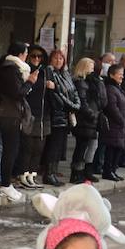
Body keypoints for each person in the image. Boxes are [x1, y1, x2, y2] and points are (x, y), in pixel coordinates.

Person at [0, 42, 34, 201]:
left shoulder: (10, 67)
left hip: (11, 112)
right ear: (20, 54)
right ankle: (5, 184)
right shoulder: (10, 69)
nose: (27, 57)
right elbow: (17, 93)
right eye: (26, 53)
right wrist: (30, 81)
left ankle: (6, 183)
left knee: (12, 149)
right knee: (10, 150)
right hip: (9, 114)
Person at [18, 44, 53, 190]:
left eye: (39, 56)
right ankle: (22, 175)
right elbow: (22, 91)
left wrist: (52, 86)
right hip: (29, 113)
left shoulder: (45, 71)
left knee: (39, 147)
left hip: (43, 114)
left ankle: (32, 175)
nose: (37, 59)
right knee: (27, 146)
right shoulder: (25, 70)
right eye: (33, 56)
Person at [43, 49, 78, 187]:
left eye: (61, 59)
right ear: (51, 59)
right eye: (56, 58)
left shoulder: (66, 74)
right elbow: (55, 96)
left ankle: (54, 172)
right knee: (53, 147)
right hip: (56, 115)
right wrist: (70, 105)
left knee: (58, 148)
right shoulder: (49, 72)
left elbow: (73, 92)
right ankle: (49, 174)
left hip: (65, 115)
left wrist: (74, 105)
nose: (58, 61)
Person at [71, 57, 103, 184]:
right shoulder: (80, 82)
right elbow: (83, 102)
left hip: (90, 119)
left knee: (86, 147)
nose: (92, 69)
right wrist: (92, 114)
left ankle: (81, 172)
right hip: (85, 120)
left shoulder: (90, 81)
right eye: (90, 66)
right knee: (81, 147)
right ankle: (76, 173)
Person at [101, 62, 125, 182]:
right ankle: (108, 171)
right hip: (114, 124)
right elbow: (112, 107)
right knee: (111, 149)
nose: (122, 76)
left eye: (122, 74)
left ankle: (113, 170)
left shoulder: (118, 88)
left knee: (118, 149)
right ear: (112, 75)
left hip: (120, 125)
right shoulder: (110, 88)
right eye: (119, 74)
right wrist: (122, 120)